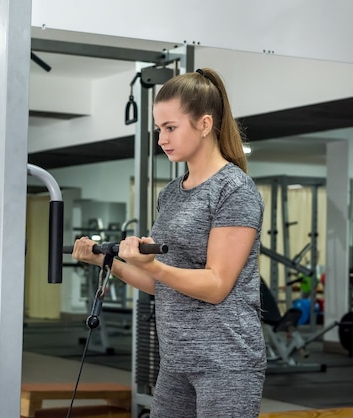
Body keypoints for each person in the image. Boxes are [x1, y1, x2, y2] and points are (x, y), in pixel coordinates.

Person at [73, 68, 266, 417]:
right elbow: (160, 284)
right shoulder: (171, 195)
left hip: (225, 362)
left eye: (171, 127)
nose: (161, 138)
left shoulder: (234, 190)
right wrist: (106, 262)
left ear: (204, 124)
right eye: (159, 128)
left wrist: (155, 265)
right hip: (175, 359)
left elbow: (216, 285)